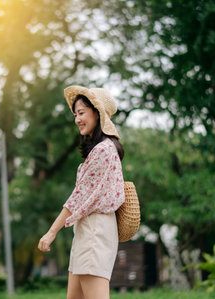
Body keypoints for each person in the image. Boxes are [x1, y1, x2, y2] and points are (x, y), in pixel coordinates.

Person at [38, 85, 125, 299]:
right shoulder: (100, 149)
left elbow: (77, 198)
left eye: (81, 113)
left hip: (95, 231)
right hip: (88, 231)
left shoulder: (103, 151)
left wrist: (51, 232)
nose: (77, 119)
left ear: (97, 112)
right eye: (75, 114)